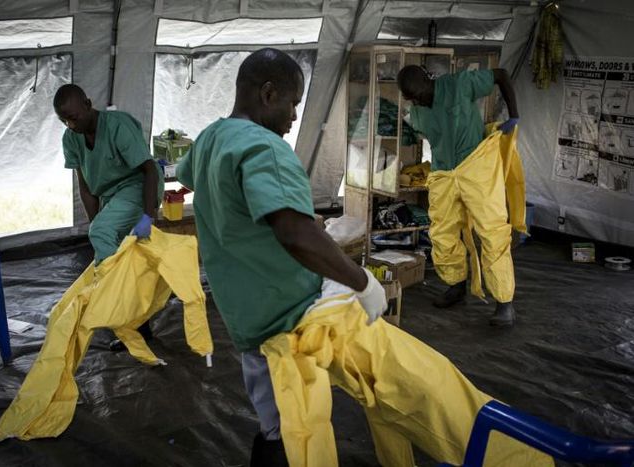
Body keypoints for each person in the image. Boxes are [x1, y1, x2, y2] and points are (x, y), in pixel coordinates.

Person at [176, 48, 387, 466]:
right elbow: (294, 234)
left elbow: (190, 176)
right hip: (286, 314)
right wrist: (361, 280)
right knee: (296, 425)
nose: (294, 117)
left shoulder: (211, 138)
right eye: (293, 103)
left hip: (244, 310)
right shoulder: (266, 147)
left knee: (272, 412)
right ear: (269, 94)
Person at [396, 65, 520, 326]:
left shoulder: (459, 84)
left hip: (476, 165)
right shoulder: (417, 111)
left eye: (424, 93)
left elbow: (500, 74)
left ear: (430, 80)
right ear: (410, 99)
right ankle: (455, 284)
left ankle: (504, 302)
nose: (423, 99)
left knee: (492, 230)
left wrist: (515, 115)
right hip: (443, 171)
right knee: (442, 231)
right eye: (417, 98)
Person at [54, 84, 164, 350]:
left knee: (104, 243)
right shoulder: (71, 138)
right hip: (112, 197)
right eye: (63, 120)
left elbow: (150, 170)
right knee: (120, 255)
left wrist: (148, 217)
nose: (70, 124)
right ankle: (139, 325)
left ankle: (118, 309)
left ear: (88, 104)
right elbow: (86, 185)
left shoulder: (118, 126)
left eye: (74, 117)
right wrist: (97, 221)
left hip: (140, 188)